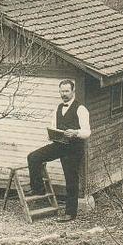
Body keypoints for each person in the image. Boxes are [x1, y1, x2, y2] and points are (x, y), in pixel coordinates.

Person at [26, 78, 91, 222]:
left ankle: (70, 213)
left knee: (71, 180)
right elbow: (54, 127)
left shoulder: (81, 109)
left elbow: (87, 132)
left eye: (67, 91)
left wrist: (75, 132)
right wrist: (53, 135)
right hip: (59, 145)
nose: (64, 94)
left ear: (73, 91)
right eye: (62, 91)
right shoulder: (57, 109)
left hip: (73, 148)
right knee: (33, 157)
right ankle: (38, 190)